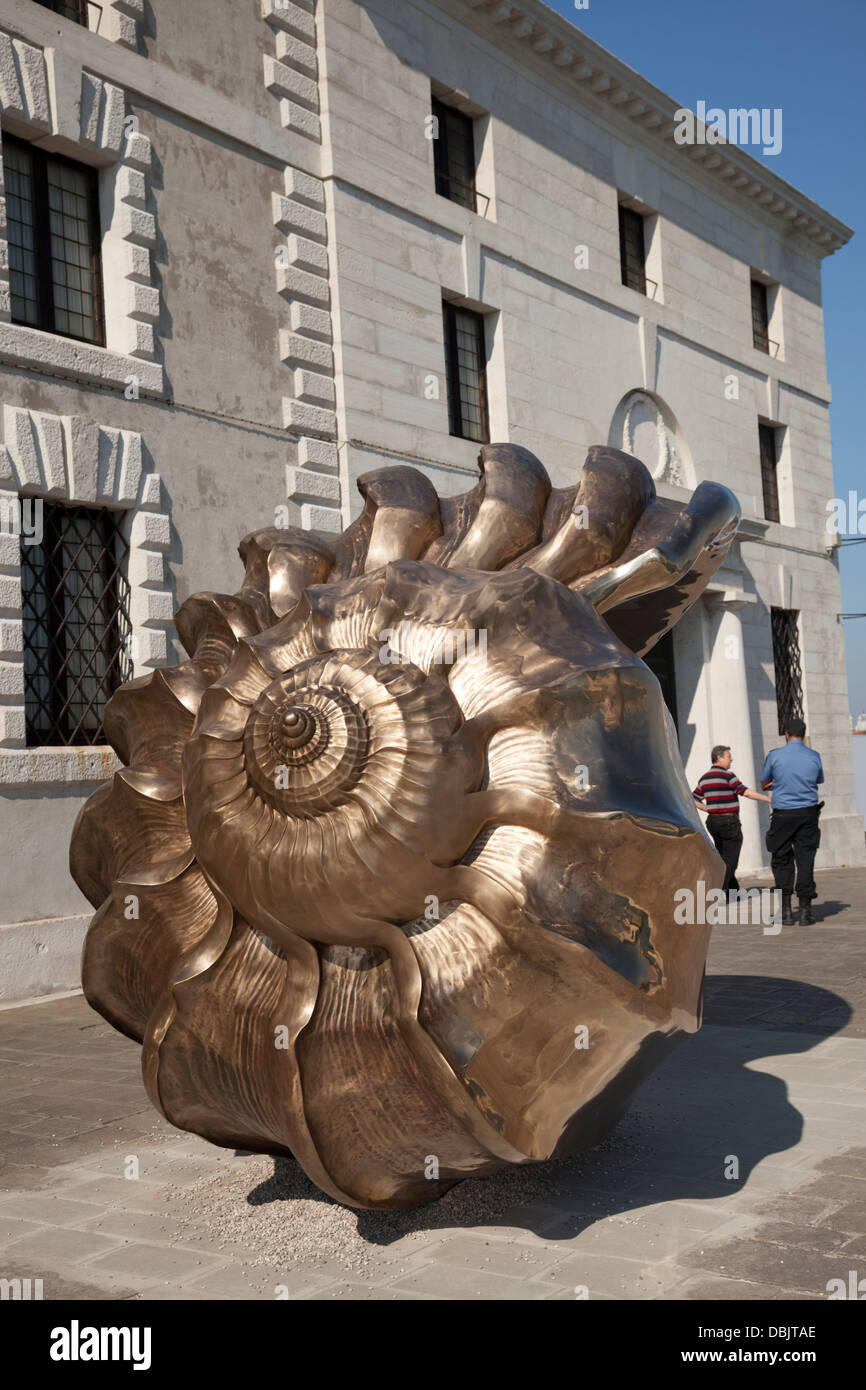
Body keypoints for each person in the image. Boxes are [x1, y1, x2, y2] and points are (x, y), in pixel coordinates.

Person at [760, 718, 824, 926]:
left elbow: (764, 782)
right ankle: (805, 912)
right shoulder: (814, 756)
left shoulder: (775, 755)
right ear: (804, 735)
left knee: (781, 858)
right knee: (806, 858)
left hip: (783, 814)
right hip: (808, 814)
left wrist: (777, 784)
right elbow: (816, 780)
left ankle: (786, 912)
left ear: (786, 734)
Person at [693, 745, 771, 893]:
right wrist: (767, 799)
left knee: (723, 857)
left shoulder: (704, 778)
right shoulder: (728, 776)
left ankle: (732, 890)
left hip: (713, 822)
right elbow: (745, 792)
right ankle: (719, 891)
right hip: (729, 822)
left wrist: (710, 809)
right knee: (731, 860)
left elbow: (693, 799)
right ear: (719, 758)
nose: (732, 759)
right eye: (729, 756)